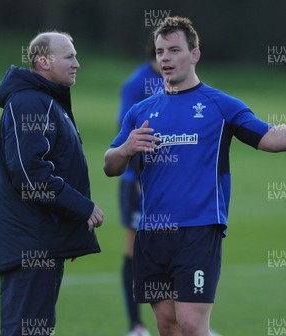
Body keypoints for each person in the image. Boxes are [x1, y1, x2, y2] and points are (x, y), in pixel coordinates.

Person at [104, 16, 286, 336]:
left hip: (199, 229)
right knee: (168, 325)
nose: (165, 58)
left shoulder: (220, 105)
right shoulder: (142, 111)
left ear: (195, 55)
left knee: (191, 323)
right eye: (161, 52)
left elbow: (270, 137)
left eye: (175, 50)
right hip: (153, 232)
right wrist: (125, 150)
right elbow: (110, 165)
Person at [0, 31, 104, 336]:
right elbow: (29, 173)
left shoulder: (46, 100)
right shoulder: (28, 102)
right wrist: (81, 206)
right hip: (31, 245)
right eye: (69, 56)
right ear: (43, 61)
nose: (76, 63)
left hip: (43, 242)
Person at [117, 42, 163, 336]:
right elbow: (127, 134)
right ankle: (135, 324)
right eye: (164, 53)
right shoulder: (136, 84)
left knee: (171, 249)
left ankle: (188, 321)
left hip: (166, 183)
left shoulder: (179, 81)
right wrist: (136, 180)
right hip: (137, 183)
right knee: (134, 248)